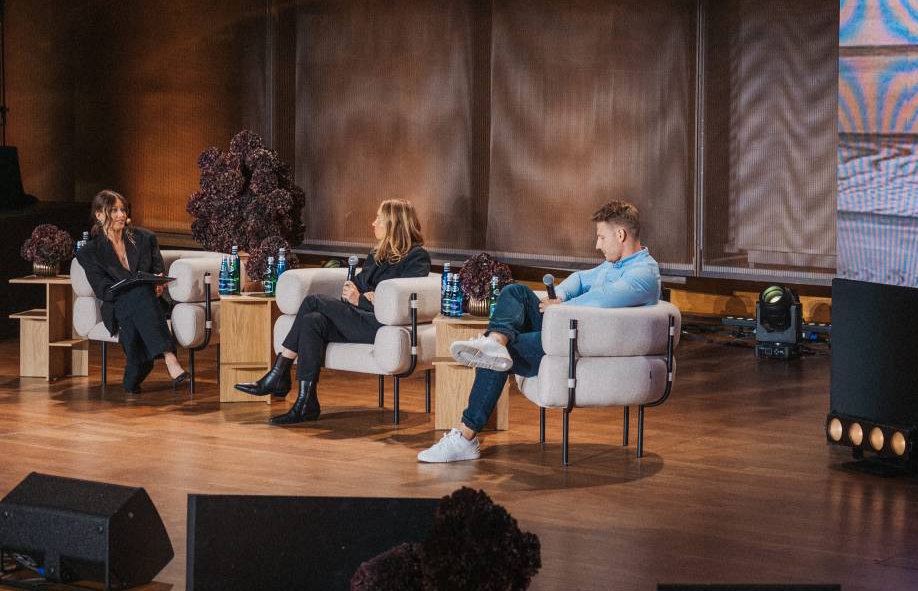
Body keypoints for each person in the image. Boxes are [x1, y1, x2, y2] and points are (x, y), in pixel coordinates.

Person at [417, 200, 660, 463]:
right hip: (565, 329)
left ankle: (465, 437)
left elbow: (601, 300)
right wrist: (562, 295)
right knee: (515, 292)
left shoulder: (642, 274)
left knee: (498, 358)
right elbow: (580, 279)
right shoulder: (615, 265)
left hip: (580, 343)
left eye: (601, 237)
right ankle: (495, 339)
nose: (597, 245)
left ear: (620, 235)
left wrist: (560, 305)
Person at [236, 199, 431, 424]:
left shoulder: (417, 257)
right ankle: (306, 402)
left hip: (381, 326)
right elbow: (353, 288)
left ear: (393, 223)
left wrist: (363, 301)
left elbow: (399, 300)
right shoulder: (377, 255)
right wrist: (364, 297)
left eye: (378, 218)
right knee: (313, 320)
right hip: (359, 318)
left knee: (312, 302)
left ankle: (279, 373)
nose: (373, 222)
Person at [74, 190, 190, 393]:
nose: (121, 215)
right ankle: (169, 356)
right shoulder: (89, 252)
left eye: (123, 210)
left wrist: (158, 283)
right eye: (114, 210)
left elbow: (157, 271)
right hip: (117, 307)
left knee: (141, 293)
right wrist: (133, 286)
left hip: (151, 304)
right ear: (99, 215)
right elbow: (103, 291)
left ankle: (133, 377)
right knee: (136, 292)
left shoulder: (146, 238)